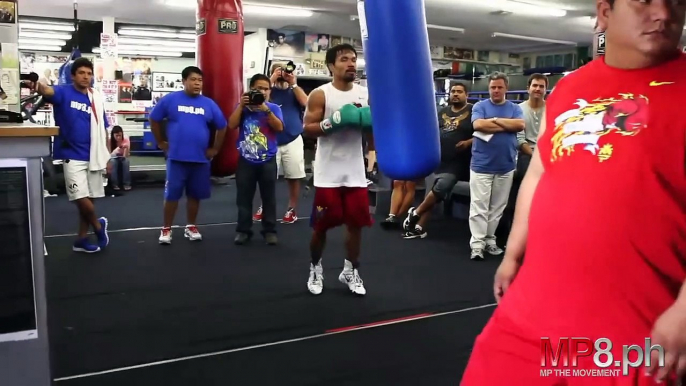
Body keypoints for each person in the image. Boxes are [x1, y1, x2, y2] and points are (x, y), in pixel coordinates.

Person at [461, 0, 686, 384]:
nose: (664, 13)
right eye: (644, 1)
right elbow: (538, 173)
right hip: (531, 315)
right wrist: (513, 253)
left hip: (635, 331)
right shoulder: (570, 88)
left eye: (676, 1)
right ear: (604, 12)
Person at [302, 43, 372, 296]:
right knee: (321, 226)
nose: (351, 63)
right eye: (344, 59)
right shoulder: (321, 94)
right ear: (332, 65)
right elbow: (307, 128)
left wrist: (371, 130)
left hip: (355, 173)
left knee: (356, 225)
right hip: (327, 175)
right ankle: (315, 267)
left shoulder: (365, 93)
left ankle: (350, 270)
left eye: (353, 59)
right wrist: (334, 122)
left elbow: (372, 130)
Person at [35, 57, 110, 253]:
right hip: (71, 155)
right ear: (73, 75)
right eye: (81, 73)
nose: (86, 77)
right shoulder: (63, 92)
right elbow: (47, 91)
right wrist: (38, 85)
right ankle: (98, 226)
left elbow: (105, 128)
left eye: (88, 73)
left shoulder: (96, 98)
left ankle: (81, 239)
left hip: (93, 155)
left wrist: (107, 156)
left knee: (88, 200)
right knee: (80, 197)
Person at [149, 66, 228, 245]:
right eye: (193, 79)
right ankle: (166, 228)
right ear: (184, 81)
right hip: (176, 158)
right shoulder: (171, 100)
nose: (197, 83)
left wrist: (215, 149)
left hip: (200, 159)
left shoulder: (208, 104)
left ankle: (191, 226)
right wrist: (161, 142)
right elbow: (154, 119)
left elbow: (222, 126)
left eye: (200, 80)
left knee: (195, 195)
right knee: (172, 195)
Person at [402, 82, 474, 239]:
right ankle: (419, 227)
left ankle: (416, 212)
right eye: (453, 91)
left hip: (459, 162)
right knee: (433, 192)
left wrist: (468, 142)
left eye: (459, 92)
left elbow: (481, 133)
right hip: (439, 158)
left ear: (466, 94)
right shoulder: (443, 112)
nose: (455, 94)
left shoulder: (472, 111)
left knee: (442, 186)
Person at [468, 72, 524, 260]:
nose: (496, 90)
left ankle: (489, 240)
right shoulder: (480, 106)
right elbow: (478, 125)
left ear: (506, 88)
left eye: (500, 87)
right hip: (481, 165)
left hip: (505, 165)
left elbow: (520, 125)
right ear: (489, 88)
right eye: (493, 87)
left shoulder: (514, 108)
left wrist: (492, 121)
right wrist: (506, 125)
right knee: (479, 207)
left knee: (497, 207)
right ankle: (477, 244)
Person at [229, 74, 284, 245]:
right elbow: (231, 125)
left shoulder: (273, 108)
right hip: (246, 160)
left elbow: (280, 128)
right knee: (244, 198)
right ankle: (243, 231)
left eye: (266, 89)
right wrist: (241, 105)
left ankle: (269, 231)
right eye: (259, 88)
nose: (263, 92)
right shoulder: (243, 107)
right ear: (251, 89)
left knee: (269, 198)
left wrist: (265, 109)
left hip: (267, 159)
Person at [253, 63, 308, 225]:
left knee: (294, 176)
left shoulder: (294, 90)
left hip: (293, 138)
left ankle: (292, 209)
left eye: (284, 71)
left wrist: (294, 83)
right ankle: (265, 206)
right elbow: (259, 100)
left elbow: (306, 103)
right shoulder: (269, 91)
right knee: (267, 177)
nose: (283, 74)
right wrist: (271, 80)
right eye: (279, 72)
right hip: (271, 139)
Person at [108, 125, 131, 191]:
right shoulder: (110, 141)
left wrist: (125, 149)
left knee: (126, 162)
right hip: (113, 157)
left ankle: (126, 184)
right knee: (113, 162)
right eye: (116, 136)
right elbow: (109, 154)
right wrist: (118, 148)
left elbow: (126, 155)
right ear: (113, 135)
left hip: (123, 156)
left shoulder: (125, 140)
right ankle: (114, 184)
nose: (118, 138)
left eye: (120, 135)